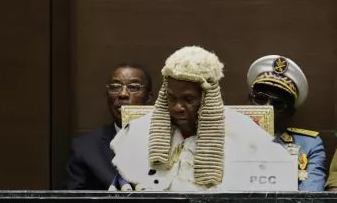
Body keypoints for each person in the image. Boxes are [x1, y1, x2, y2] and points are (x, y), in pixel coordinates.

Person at [110, 46, 290, 191]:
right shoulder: (138, 130)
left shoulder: (247, 134)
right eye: (172, 98)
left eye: (188, 100)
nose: (177, 108)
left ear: (207, 99)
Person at [66, 64, 152, 190]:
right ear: (107, 95)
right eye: (115, 87)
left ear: (148, 97)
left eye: (133, 87)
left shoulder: (171, 143)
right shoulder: (85, 148)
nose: (123, 94)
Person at [246, 55, 325, 191]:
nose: (267, 107)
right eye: (260, 99)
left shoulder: (309, 145)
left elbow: (310, 200)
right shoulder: (224, 139)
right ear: (249, 100)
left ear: (289, 113)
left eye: (278, 104)